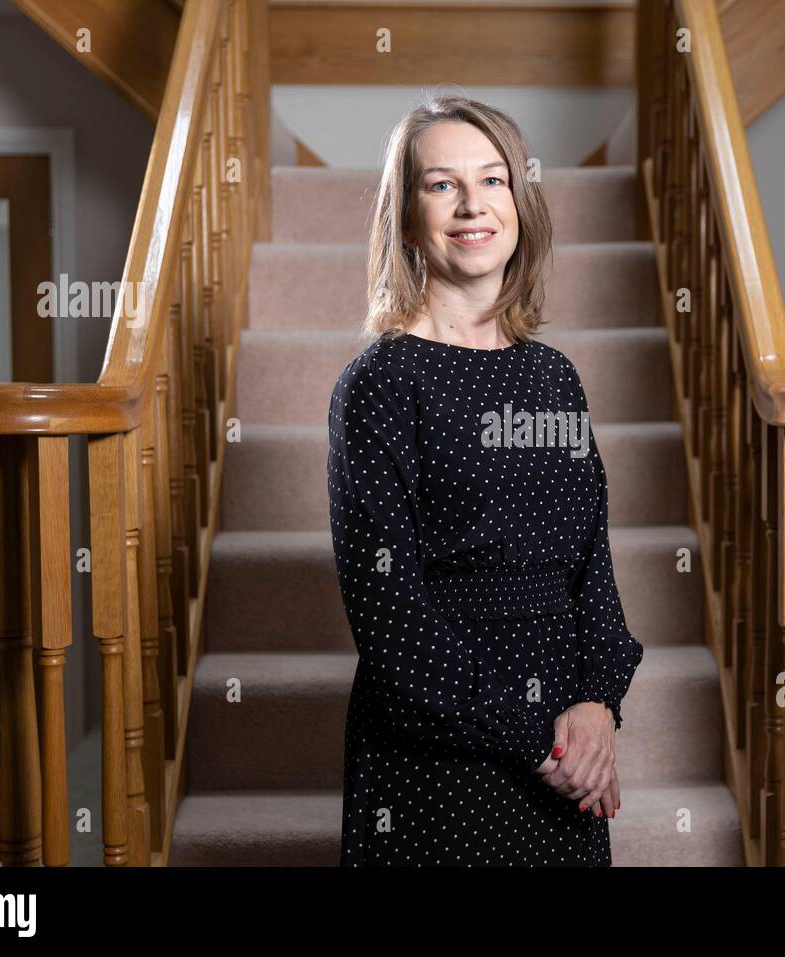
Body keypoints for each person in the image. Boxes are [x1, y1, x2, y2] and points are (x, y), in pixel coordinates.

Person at [327, 94, 644, 866]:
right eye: (441, 185)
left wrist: (599, 704)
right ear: (405, 217)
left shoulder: (555, 378)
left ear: (519, 202)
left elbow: (591, 569)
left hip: (567, 755)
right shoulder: (378, 385)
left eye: (493, 179)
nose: (472, 204)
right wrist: (539, 739)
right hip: (437, 763)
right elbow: (392, 619)